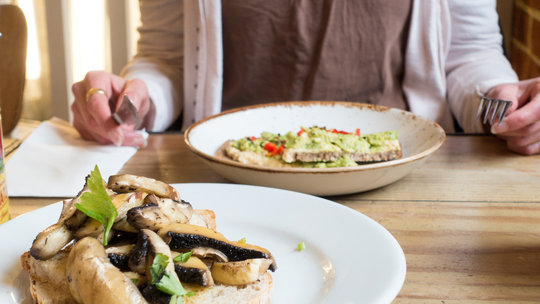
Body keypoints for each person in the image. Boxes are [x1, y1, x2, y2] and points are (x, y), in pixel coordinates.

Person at [71, 0, 540, 155]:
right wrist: (135, 99)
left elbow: (468, 53)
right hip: (230, 174)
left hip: (405, 171)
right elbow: (167, 56)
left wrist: (500, 101)